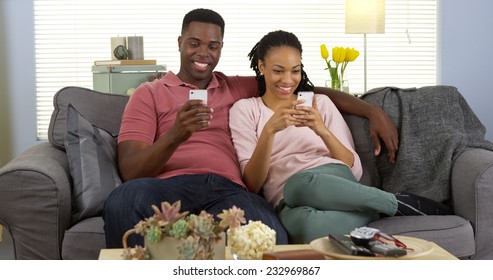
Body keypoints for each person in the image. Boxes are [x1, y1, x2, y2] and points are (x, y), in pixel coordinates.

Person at [102, 8, 399, 248]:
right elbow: (130, 170)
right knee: (122, 200)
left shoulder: (234, 86)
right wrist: (175, 135)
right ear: (180, 42)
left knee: (272, 233)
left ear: (221, 49)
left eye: (212, 46)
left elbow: (298, 86)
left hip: (227, 189)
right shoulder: (149, 93)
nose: (203, 53)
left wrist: (372, 110)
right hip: (168, 186)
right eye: (194, 43)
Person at [229, 30, 453, 244]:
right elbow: (252, 183)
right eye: (278, 71)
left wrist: (321, 129)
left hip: (329, 179)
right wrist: (269, 130)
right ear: (261, 66)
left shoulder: (321, 103)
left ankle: (392, 202)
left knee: (300, 183)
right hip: (285, 200)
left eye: (295, 70)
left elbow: (353, 169)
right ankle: (380, 208)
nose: (288, 80)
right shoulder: (245, 110)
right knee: (306, 228)